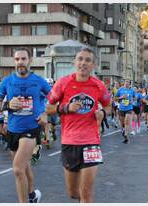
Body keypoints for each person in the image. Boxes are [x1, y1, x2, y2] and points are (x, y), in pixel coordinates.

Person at [46, 47, 110, 203]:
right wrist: (66, 108)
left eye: (88, 60)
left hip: (91, 143)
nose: (83, 63)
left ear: (93, 65)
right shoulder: (63, 83)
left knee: (86, 193)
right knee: (74, 193)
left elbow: (108, 106)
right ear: (74, 62)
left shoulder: (98, 85)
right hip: (70, 142)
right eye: (80, 59)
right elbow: (47, 108)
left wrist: (103, 113)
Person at [0, 47, 51, 203]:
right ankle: (32, 195)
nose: (20, 62)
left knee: (17, 169)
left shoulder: (39, 81)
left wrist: (45, 113)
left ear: (30, 60)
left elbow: (54, 100)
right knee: (24, 167)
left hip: (31, 129)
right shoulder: (7, 81)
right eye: (17, 59)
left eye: (23, 59)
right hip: (12, 130)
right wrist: (7, 105)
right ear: (14, 61)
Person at [114, 79, 135, 143]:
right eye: (126, 82)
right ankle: (123, 130)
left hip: (129, 108)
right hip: (121, 108)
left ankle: (125, 136)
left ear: (129, 84)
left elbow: (134, 98)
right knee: (122, 123)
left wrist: (132, 100)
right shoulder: (120, 90)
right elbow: (114, 98)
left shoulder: (132, 91)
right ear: (124, 83)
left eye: (128, 82)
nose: (126, 83)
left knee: (126, 121)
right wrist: (121, 97)